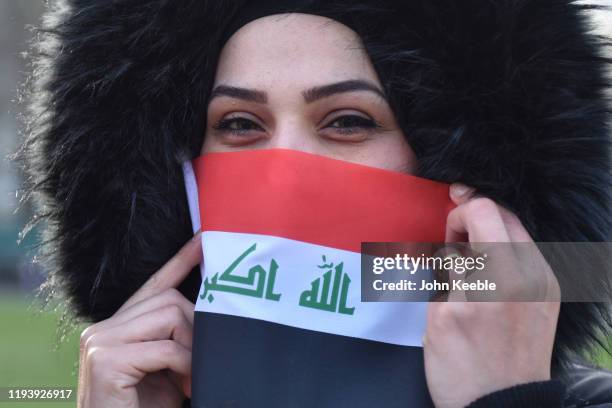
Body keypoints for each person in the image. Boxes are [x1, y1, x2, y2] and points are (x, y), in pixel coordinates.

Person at [18, 1, 612, 407]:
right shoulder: (148, 388)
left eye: (349, 121)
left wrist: (508, 399)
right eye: (241, 123)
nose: (286, 172)